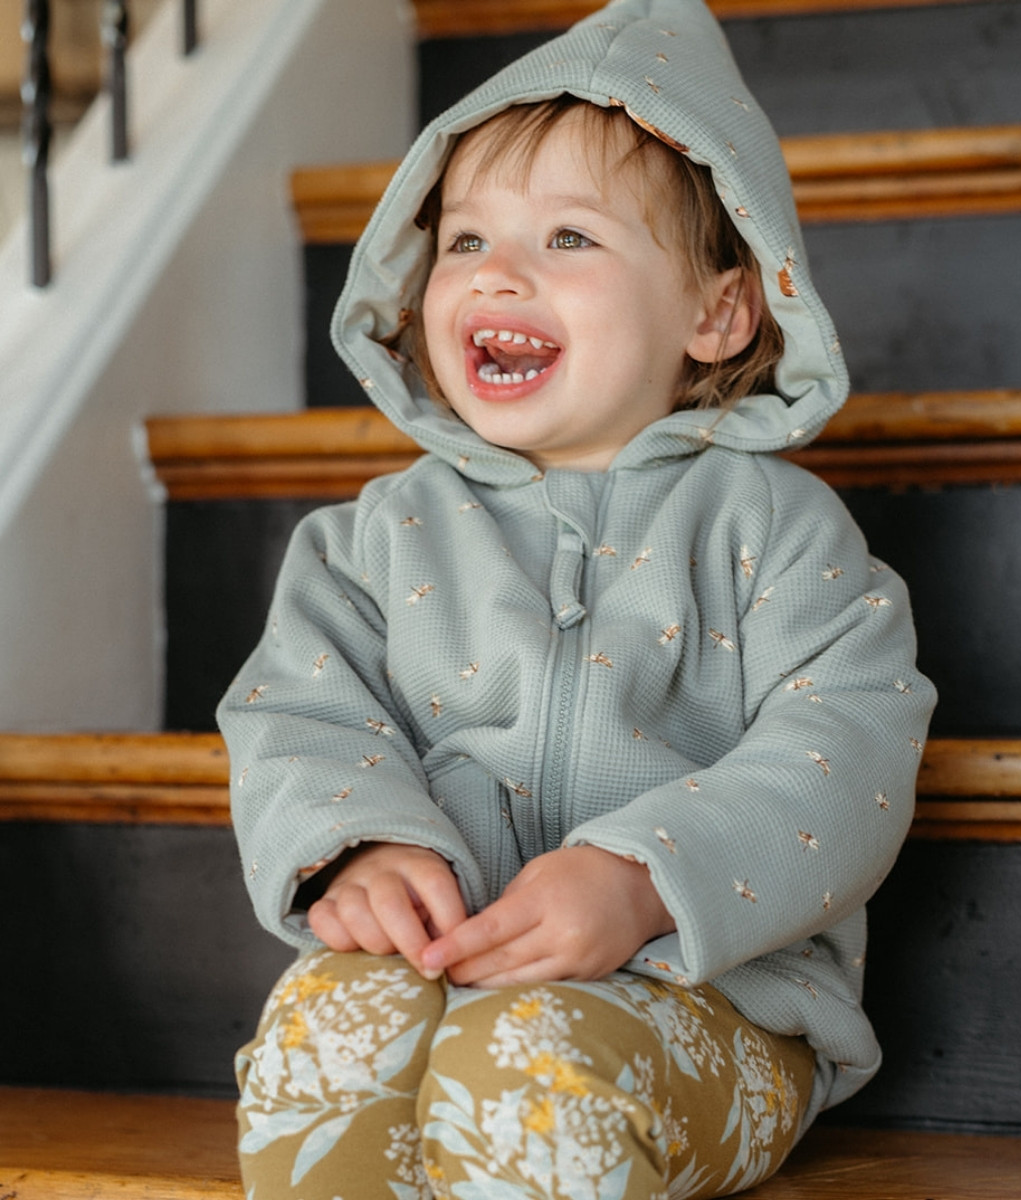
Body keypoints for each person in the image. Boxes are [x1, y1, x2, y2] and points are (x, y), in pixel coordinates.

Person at [217, 1, 936, 1196]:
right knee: (323, 1028)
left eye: (568, 239)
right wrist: (360, 845)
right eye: (463, 242)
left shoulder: (776, 529)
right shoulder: (371, 538)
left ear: (716, 314)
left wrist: (645, 878)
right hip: (445, 966)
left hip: (714, 1011)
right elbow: (297, 712)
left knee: (523, 1061)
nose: (498, 269)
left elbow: (845, 749)